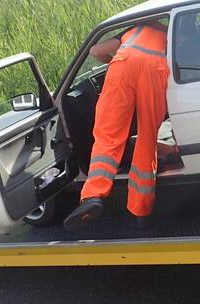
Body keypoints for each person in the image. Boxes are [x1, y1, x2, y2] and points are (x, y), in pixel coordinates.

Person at [63, 19, 169, 231]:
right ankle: (141, 212)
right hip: (155, 70)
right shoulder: (168, 32)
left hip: (123, 64)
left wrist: (112, 61)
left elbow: (95, 51)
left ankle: (93, 196)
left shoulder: (133, 28)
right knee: (147, 140)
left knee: (108, 136)